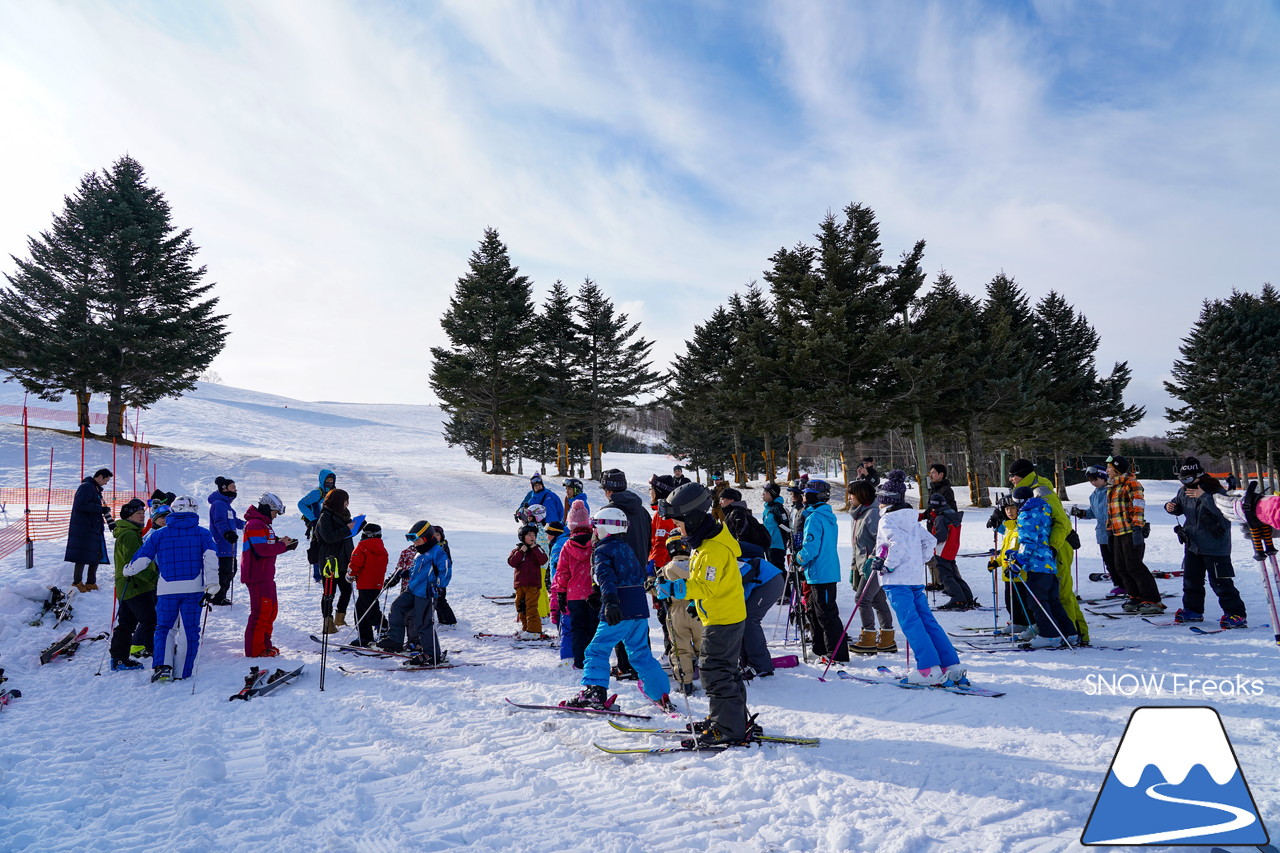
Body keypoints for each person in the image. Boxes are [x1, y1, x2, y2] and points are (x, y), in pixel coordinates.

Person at [656, 482, 748, 747]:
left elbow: (706, 584)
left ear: (694, 519)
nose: (677, 529)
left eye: (680, 523)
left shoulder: (712, 550)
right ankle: (729, 718)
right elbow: (710, 583)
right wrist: (697, 602)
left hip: (724, 619)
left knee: (714, 671)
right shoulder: (705, 541)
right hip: (720, 613)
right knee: (726, 671)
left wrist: (673, 587)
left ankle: (728, 727)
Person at [562, 507, 672, 711]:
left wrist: (610, 601)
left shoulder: (603, 550)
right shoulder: (626, 548)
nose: (594, 531)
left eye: (596, 526)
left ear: (605, 528)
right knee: (640, 653)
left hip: (618, 610)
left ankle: (594, 693)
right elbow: (631, 576)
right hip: (638, 609)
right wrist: (599, 595)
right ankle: (660, 693)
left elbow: (606, 577)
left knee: (596, 650)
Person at [873, 470, 966, 686]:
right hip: (914, 579)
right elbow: (930, 541)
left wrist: (886, 565)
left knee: (911, 623)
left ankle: (927, 668)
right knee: (927, 620)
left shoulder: (887, 520)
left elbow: (897, 545)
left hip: (897, 580)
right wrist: (919, 560)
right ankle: (950, 665)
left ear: (886, 500)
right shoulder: (911, 518)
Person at [123, 495, 219, 683]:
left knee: (165, 628)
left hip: (167, 588)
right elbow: (211, 558)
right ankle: (183, 671)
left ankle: (163, 667)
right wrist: (212, 584)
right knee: (189, 630)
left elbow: (143, 558)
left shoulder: (159, 534)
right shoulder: (202, 533)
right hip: (194, 588)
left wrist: (128, 570)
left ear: (173, 511)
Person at [1008, 458, 1090, 641]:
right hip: (1046, 548)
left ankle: (1076, 632)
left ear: (1021, 475)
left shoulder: (1040, 491)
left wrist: (1053, 546)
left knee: (1060, 592)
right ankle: (1054, 629)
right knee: (1050, 593)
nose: (1011, 479)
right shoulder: (1032, 490)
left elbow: (1061, 521)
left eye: (1013, 476)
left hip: (1057, 546)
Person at [1164, 458, 1246, 628]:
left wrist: (1204, 496)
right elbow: (1178, 505)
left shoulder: (1216, 490)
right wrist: (1170, 507)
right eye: (1182, 479)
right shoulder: (1184, 491)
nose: (1185, 483)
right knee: (1191, 580)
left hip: (1215, 545)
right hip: (1193, 544)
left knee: (1221, 582)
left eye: (1187, 479)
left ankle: (1236, 614)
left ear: (1199, 475)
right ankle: (1193, 611)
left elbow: (1225, 511)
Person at [1006, 486, 1078, 648]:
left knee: (1036, 601)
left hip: (1036, 565)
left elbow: (1028, 542)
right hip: (1048, 562)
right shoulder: (1043, 510)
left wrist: (1018, 561)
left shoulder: (1026, 515)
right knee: (1053, 600)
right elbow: (1039, 538)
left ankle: (1049, 635)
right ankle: (1068, 632)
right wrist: (1015, 554)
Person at [602, 468, 651, 679]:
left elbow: (602, 544)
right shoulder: (642, 511)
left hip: (618, 573)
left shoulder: (609, 512)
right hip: (639, 571)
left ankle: (626, 665)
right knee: (638, 620)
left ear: (608, 490)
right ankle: (642, 663)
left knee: (619, 619)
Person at [384, 520, 451, 665]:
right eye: (413, 541)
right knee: (397, 606)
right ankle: (394, 639)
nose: (415, 544)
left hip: (425, 593)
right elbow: (417, 571)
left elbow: (445, 571)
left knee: (422, 623)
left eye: (418, 540)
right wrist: (405, 573)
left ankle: (432, 654)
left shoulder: (437, 553)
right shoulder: (420, 553)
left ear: (427, 538)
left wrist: (438, 586)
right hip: (413, 589)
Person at [1103, 455, 1162, 615]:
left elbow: (1139, 506)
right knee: (1121, 567)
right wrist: (1109, 530)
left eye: (1109, 468)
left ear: (1116, 469)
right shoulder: (1112, 486)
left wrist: (1137, 528)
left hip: (1130, 531)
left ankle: (1152, 599)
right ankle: (1135, 595)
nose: (1107, 470)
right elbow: (1111, 511)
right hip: (1117, 532)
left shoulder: (1132, 484)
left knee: (1134, 565)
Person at [796, 479, 847, 663]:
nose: (802, 497)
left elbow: (811, 547)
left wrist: (798, 558)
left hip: (822, 572)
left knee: (826, 614)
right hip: (819, 572)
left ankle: (837, 653)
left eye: (805, 493)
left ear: (812, 495)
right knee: (817, 612)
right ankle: (821, 648)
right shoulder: (822, 515)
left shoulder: (816, 517)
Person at [240, 493, 297, 657]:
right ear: (268, 508)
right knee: (261, 613)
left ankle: (264, 645)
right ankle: (255, 650)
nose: (275, 516)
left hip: (265, 575)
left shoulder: (262, 524)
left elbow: (266, 544)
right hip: (258, 576)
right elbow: (262, 549)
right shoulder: (256, 524)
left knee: (270, 611)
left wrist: (284, 544)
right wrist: (281, 545)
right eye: (275, 512)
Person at [846, 480, 895, 655]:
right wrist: (854, 566)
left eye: (852, 494)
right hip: (863, 565)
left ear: (862, 495)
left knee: (862, 599)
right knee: (878, 600)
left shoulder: (872, 514)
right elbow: (857, 545)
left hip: (873, 566)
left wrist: (873, 560)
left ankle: (868, 636)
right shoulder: (858, 515)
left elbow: (882, 542)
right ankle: (887, 638)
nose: (849, 498)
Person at [108, 499, 155, 671]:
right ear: (129, 516)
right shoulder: (129, 535)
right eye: (138, 514)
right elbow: (135, 563)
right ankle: (157, 655)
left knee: (126, 624)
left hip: (127, 586)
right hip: (136, 586)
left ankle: (119, 659)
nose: (142, 517)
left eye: (143, 513)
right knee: (150, 620)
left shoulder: (130, 532)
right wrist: (153, 578)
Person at [654, 534, 702, 694]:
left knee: (680, 648)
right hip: (698, 608)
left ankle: (685, 682)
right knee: (705, 646)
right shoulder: (696, 565)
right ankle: (711, 680)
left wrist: (649, 582)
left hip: (676, 612)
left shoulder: (666, 569)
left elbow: (657, 589)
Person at [550, 501, 595, 668]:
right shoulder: (595, 543)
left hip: (574, 594)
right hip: (592, 593)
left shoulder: (568, 546)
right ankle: (593, 659)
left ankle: (579, 660)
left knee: (577, 629)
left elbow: (562, 572)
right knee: (593, 628)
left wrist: (560, 594)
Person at [1070, 466, 1125, 598]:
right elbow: (1094, 512)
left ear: (1103, 477)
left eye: (1095, 479)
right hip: (1102, 533)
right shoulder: (1094, 495)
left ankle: (1126, 585)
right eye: (1090, 480)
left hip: (1115, 532)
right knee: (1109, 561)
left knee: (1119, 561)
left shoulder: (1111, 491)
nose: (1093, 482)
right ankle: (1118, 585)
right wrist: (1082, 513)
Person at [314, 488, 358, 633]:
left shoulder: (344, 515)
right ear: (339, 501)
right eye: (345, 501)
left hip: (344, 558)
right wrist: (346, 529)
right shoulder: (325, 516)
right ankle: (328, 622)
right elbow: (328, 537)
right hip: (330, 560)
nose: (347, 504)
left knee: (346, 589)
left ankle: (340, 617)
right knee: (329, 592)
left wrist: (356, 526)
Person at [925, 492, 978, 610]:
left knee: (945, 576)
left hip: (942, 550)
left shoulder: (940, 518)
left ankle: (958, 599)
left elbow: (941, 537)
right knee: (954, 574)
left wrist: (928, 539)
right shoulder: (952, 515)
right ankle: (966, 596)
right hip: (951, 549)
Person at [738, 552, 785, 678]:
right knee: (743, 620)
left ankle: (760, 666)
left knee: (749, 620)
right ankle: (747, 662)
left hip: (769, 581)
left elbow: (740, 585)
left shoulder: (723, 563)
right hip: (764, 580)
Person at [66, 468, 112, 592]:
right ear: (101, 476)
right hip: (84, 528)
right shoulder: (86, 487)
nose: (106, 484)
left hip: (92, 527)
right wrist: (100, 509)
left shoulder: (95, 489)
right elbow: (80, 504)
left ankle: (91, 582)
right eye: (106, 480)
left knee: (96, 554)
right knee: (82, 555)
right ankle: (77, 582)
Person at [348, 522, 389, 647]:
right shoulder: (382, 548)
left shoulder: (362, 546)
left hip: (365, 583)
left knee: (368, 609)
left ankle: (383, 627)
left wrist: (350, 574)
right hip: (376, 583)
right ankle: (365, 636)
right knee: (361, 609)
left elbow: (356, 562)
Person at [206, 476, 246, 606]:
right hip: (222, 546)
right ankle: (217, 597)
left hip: (229, 546)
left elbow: (235, 521)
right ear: (224, 489)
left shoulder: (226, 506)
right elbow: (219, 522)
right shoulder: (219, 504)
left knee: (230, 571)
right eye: (233, 487)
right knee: (225, 572)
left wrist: (249, 525)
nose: (235, 490)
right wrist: (227, 533)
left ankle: (219, 596)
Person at [508, 523, 549, 640]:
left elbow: (543, 559)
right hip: (520, 585)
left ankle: (534, 630)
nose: (532, 537)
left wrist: (535, 548)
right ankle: (526, 628)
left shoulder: (537, 549)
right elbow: (512, 562)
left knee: (531, 607)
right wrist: (521, 551)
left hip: (533, 585)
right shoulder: (517, 550)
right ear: (522, 537)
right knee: (521, 607)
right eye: (529, 535)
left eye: (533, 535)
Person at [299, 469, 336, 581]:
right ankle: (317, 575)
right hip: (317, 525)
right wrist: (313, 519)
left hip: (328, 524)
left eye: (331, 479)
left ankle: (328, 571)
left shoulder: (333, 492)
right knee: (317, 548)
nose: (329, 481)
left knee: (329, 547)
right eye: (327, 479)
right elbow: (301, 504)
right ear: (322, 480)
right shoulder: (317, 493)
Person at [761, 482, 790, 569]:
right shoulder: (767, 508)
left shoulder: (778, 508)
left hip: (777, 545)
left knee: (777, 568)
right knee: (771, 570)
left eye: (766, 492)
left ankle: (784, 582)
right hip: (768, 544)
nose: (763, 494)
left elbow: (786, 526)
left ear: (772, 494)